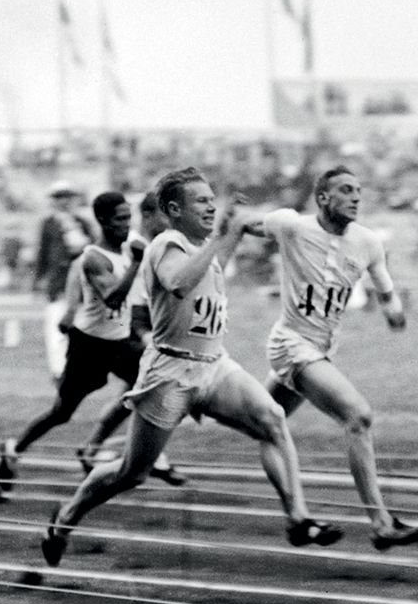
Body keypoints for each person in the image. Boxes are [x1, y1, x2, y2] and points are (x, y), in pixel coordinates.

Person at [39, 167, 329, 568]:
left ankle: (298, 518)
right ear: (175, 209)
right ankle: (65, 520)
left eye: (213, 200)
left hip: (214, 364)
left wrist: (233, 234)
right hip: (170, 374)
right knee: (131, 472)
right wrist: (217, 240)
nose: (211, 206)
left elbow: (214, 266)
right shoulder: (164, 244)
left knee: (273, 419)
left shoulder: (199, 247)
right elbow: (179, 283)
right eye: (202, 202)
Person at [247, 166, 418, 550]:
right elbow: (246, 227)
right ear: (323, 198)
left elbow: (384, 286)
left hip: (321, 349)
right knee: (358, 417)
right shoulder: (293, 227)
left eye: (359, 190)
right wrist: (221, 231)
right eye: (346, 190)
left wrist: (393, 310)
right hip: (292, 343)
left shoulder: (367, 242)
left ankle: (296, 519)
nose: (356, 197)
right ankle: (380, 523)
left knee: (266, 422)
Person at [0, 192, 153, 492]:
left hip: (119, 342)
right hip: (90, 346)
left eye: (128, 217)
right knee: (62, 412)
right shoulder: (94, 258)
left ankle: (100, 449)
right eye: (120, 218)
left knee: (147, 386)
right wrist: (135, 265)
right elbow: (113, 299)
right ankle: (14, 448)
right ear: (103, 221)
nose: (126, 223)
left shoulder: (129, 250)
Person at [71, 188, 187, 485]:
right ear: (148, 215)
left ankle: (94, 447)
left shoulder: (159, 244)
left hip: (143, 322)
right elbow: (94, 274)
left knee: (137, 392)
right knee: (157, 388)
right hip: (131, 325)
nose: (171, 222)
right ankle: (149, 455)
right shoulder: (134, 245)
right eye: (166, 215)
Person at [33, 182, 92, 379]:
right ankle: (59, 370)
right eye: (59, 197)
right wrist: (38, 279)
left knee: (82, 326)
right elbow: (43, 253)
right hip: (58, 283)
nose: (63, 202)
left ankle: (78, 368)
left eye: (67, 197)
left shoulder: (82, 223)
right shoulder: (49, 224)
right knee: (57, 328)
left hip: (81, 285)